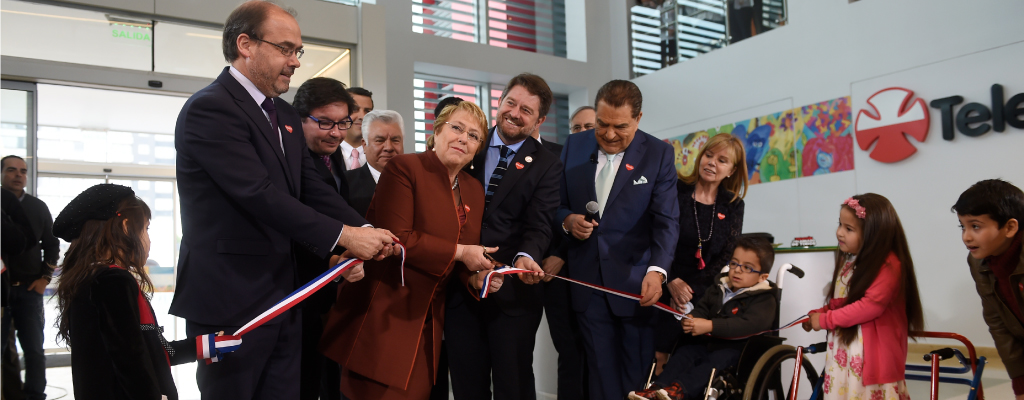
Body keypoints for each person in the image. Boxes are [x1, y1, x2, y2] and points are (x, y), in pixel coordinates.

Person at [169, 2, 397, 398]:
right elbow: (259, 195)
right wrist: (344, 235)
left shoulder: (285, 116)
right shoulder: (211, 109)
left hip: (284, 295)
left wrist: (365, 229)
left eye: (298, 52)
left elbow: (311, 187)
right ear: (246, 44)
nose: (295, 62)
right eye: (286, 49)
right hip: (230, 299)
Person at [321, 101, 515, 399]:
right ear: (436, 131)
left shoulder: (474, 189)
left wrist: (476, 278)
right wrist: (463, 253)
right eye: (457, 128)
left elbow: (460, 257)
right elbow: (398, 238)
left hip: (429, 323)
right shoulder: (405, 167)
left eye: (474, 136)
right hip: (384, 313)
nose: (464, 138)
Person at [52, 184, 242, 400]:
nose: (148, 239)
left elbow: (153, 350)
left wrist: (204, 345)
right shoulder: (113, 282)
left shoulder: (92, 279)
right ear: (125, 226)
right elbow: (130, 360)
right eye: (146, 228)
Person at [556, 80, 680, 399]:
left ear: (638, 119)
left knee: (635, 380)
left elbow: (667, 222)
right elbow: (555, 204)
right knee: (599, 377)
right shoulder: (574, 146)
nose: (610, 134)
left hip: (636, 287)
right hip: (588, 284)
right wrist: (568, 221)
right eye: (602, 124)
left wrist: (657, 272)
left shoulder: (659, 154)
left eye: (620, 126)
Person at [446, 73, 558, 400]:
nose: (515, 113)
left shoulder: (548, 165)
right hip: (459, 289)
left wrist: (527, 256)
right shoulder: (468, 144)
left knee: (514, 385)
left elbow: (540, 224)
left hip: (513, 296)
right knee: (467, 384)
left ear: (540, 120)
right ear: (499, 102)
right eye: (511, 102)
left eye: (526, 110)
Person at [803, 194, 924, 400]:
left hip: (869, 360)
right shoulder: (853, 262)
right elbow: (846, 302)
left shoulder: (888, 265)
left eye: (849, 229)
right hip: (847, 357)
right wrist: (821, 312)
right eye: (840, 225)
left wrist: (826, 319)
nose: (839, 233)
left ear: (874, 235)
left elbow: (869, 306)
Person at [629, 236, 778, 400]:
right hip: (707, 344)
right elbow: (703, 308)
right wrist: (692, 319)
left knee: (715, 361)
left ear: (763, 277)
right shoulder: (719, 287)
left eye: (748, 268)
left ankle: (679, 390)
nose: (737, 270)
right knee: (685, 353)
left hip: (738, 351)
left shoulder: (765, 299)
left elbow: (748, 325)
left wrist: (710, 325)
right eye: (734, 263)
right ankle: (658, 388)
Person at [292, 77, 365, 400]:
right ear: (299, 118)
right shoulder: (292, 160)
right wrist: (336, 256)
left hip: (328, 289)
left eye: (343, 123)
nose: (336, 133)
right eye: (324, 123)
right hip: (296, 288)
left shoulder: (333, 156)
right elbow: (297, 225)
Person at [655, 133, 747, 374]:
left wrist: (690, 291)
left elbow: (727, 254)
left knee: (689, 359)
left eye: (722, 160)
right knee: (658, 354)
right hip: (664, 281)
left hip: (702, 294)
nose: (712, 162)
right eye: (708, 155)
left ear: (731, 170)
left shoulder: (734, 204)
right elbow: (657, 235)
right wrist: (672, 281)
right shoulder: (675, 189)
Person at [953, 179, 1024, 400]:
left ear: (1010, 227)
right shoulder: (978, 262)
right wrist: (1020, 385)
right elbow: (998, 323)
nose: (966, 236)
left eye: (975, 226)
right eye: (962, 226)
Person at [0, 155, 58, 400]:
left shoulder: (38, 207)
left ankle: (35, 395)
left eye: (23, 171)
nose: (18, 175)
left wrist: (45, 278)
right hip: (1, 291)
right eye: (12, 170)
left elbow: (52, 245)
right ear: (2, 173)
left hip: (29, 289)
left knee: (34, 349)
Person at [346, 110, 405, 217]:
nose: (389, 147)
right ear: (364, 145)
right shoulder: (344, 185)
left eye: (395, 140)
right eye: (379, 140)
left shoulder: (419, 183)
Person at [342, 87, 374, 171]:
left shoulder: (379, 155)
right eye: (355, 109)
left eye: (367, 111)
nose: (362, 116)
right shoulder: (326, 154)